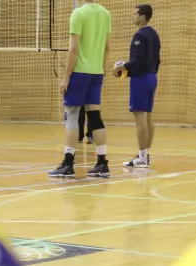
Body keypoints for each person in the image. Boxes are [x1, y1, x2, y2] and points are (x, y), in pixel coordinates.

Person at [50, 0, 112, 178]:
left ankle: (68, 164)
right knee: (95, 117)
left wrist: (66, 76)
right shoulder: (105, 14)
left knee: (72, 116)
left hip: (79, 72)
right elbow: (107, 48)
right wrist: (102, 70)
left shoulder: (78, 13)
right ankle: (102, 163)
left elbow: (74, 49)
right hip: (97, 72)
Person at [114, 4, 160, 168]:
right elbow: (156, 60)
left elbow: (137, 61)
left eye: (135, 14)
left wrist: (121, 67)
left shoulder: (140, 35)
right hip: (152, 77)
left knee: (140, 118)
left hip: (141, 80)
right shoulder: (154, 34)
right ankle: (145, 155)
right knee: (148, 118)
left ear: (143, 16)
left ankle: (142, 157)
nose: (132, 17)